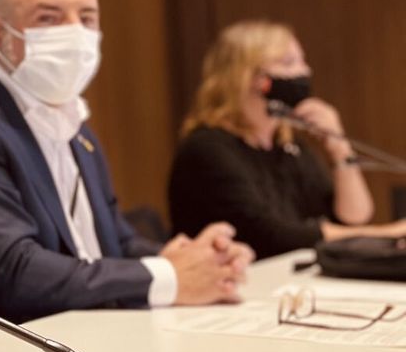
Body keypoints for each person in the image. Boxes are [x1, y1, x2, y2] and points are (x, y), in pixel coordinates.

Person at [0, 0, 251, 351]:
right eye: (49, 18)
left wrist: (197, 260)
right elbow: (16, 273)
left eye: (87, 18)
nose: (75, 34)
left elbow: (113, 241)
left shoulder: (74, 126)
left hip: (79, 343)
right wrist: (167, 276)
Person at [168, 20, 406, 258]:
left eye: (303, 61)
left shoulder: (288, 146)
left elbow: (352, 216)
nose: (304, 72)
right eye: (289, 62)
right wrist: (385, 233)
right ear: (250, 77)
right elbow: (273, 236)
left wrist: (339, 148)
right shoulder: (207, 150)